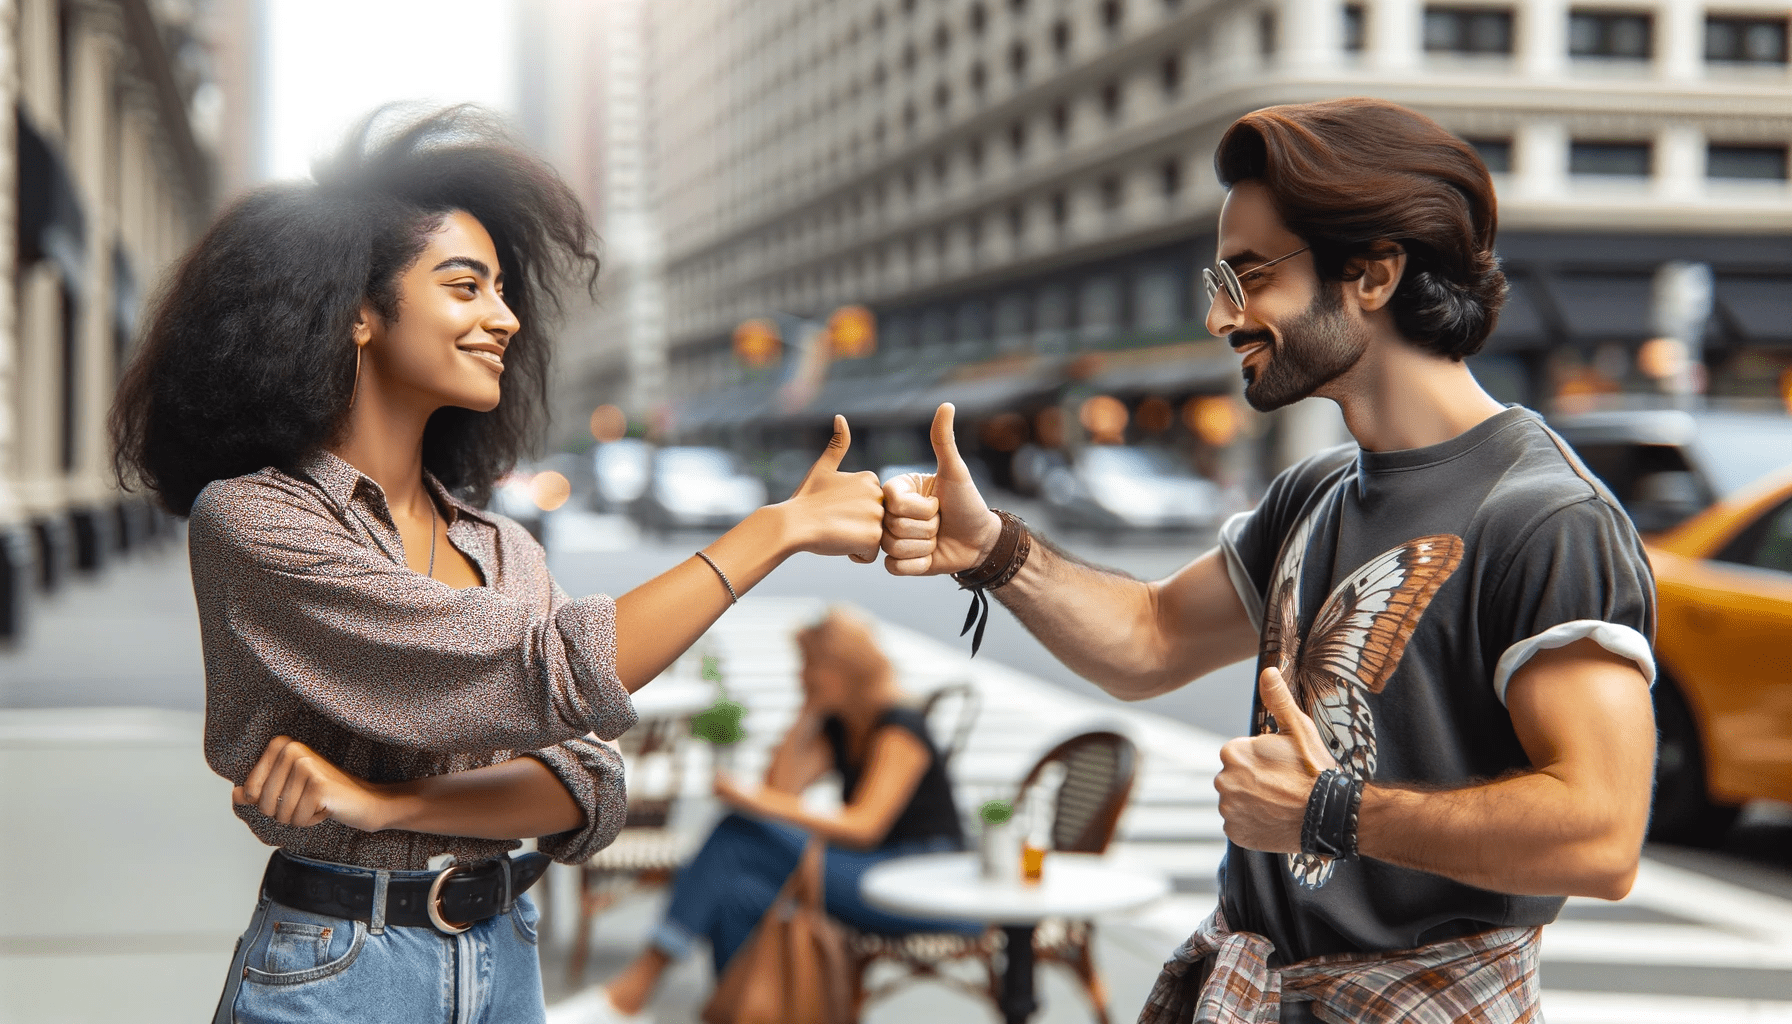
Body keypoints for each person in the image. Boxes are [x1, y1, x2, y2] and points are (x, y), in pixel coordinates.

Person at [879, 98, 1657, 1024]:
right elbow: (1151, 639)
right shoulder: (1315, 494)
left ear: (1370, 273)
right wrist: (994, 550)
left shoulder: (1545, 517)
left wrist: (1330, 811)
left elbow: (1601, 835)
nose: (1220, 315)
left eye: (1248, 277)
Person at [108, 107, 887, 1024]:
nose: (505, 318)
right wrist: (776, 529)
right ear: (358, 310)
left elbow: (590, 784)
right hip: (340, 970)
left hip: (504, 955)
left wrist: (389, 804)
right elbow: (546, 674)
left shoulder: (503, 546)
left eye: (505, 290)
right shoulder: (255, 521)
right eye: (466, 286)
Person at [593, 608, 979, 1021]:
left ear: (842, 668)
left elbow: (864, 827)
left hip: (927, 886)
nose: (802, 675)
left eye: (810, 665)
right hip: (872, 873)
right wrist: (807, 709)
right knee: (739, 897)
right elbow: (780, 787)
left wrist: (750, 799)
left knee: (740, 833)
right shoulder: (844, 724)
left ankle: (643, 979)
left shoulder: (900, 726)